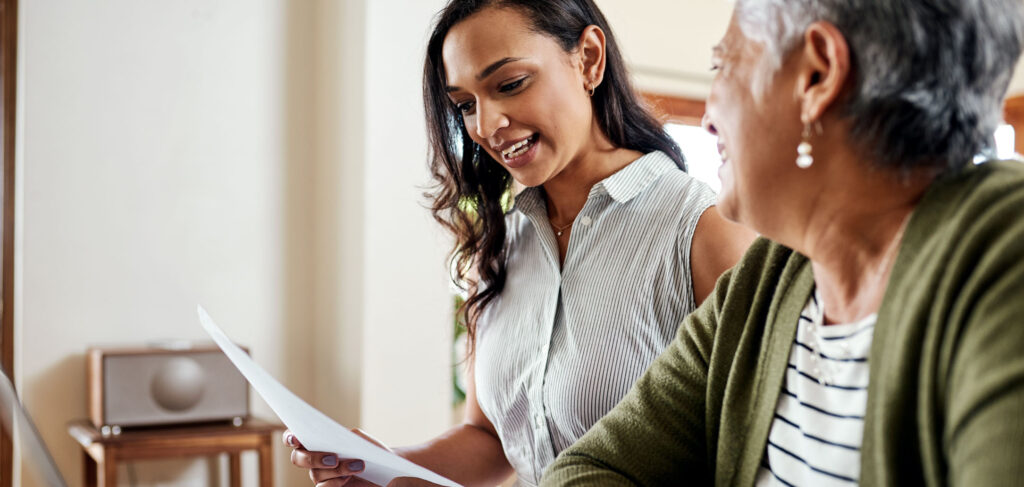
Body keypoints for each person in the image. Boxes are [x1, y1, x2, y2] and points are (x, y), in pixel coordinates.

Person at [540, 0, 1024, 485]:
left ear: (818, 75)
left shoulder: (1005, 251)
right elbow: (584, 469)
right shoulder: (768, 279)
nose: (708, 117)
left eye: (723, 65)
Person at [284, 0, 755, 486]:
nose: (486, 126)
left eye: (509, 85)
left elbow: (750, 451)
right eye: (465, 105)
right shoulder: (498, 250)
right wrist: (378, 467)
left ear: (589, 59)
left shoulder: (703, 231)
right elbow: (489, 438)